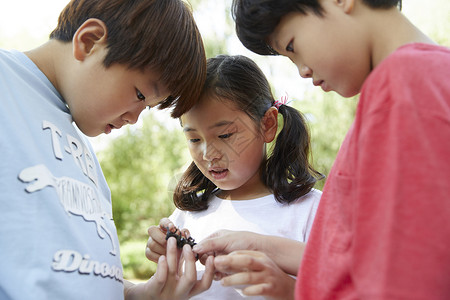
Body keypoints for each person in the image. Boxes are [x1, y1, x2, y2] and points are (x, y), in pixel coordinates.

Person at [192, 0, 450, 299]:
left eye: (292, 46)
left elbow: (404, 283)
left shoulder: (405, 86)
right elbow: (367, 258)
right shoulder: (423, 77)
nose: (301, 71)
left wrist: (290, 293)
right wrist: (260, 246)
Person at [0, 0, 215, 299]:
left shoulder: (82, 150)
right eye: (139, 94)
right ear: (89, 42)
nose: (134, 119)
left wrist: (140, 294)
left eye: (147, 107)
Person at [145, 54, 324, 299]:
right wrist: (165, 261)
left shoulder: (311, 211)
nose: (209, 154)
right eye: (194, 139)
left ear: (268, 125)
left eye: (225, 135)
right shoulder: (188, 215)